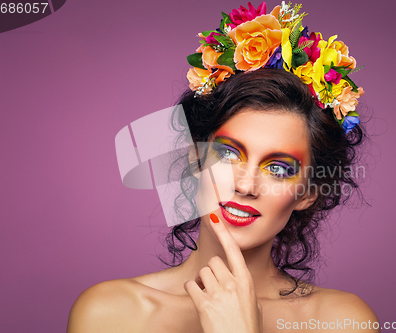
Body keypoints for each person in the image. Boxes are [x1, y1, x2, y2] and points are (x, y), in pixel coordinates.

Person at [67, 2, 379, 332]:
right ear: (195, 158)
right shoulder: (110, 314)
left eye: (278, 169)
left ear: (309, 193)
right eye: (229, 154)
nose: (245, 185)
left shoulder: (343, 322)